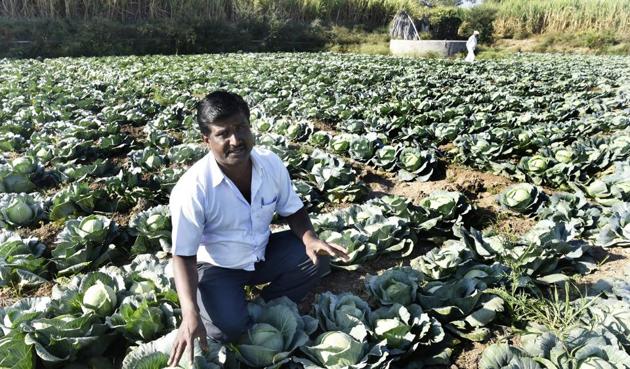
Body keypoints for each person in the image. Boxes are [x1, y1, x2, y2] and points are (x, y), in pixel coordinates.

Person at [167, 91, 349, 366]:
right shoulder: (193, 189)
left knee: (318, 260)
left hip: (260, 254)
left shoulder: (270, 164)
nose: (235, 140)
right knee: (227, 330)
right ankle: (220, 306)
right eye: (223, 134)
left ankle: (267, 304)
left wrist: (310, 238)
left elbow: (292, 209)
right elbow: (183, 256)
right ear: (207, 140)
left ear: (250, 127)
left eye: (241, 128)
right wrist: (189, 312)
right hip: (217, 267)